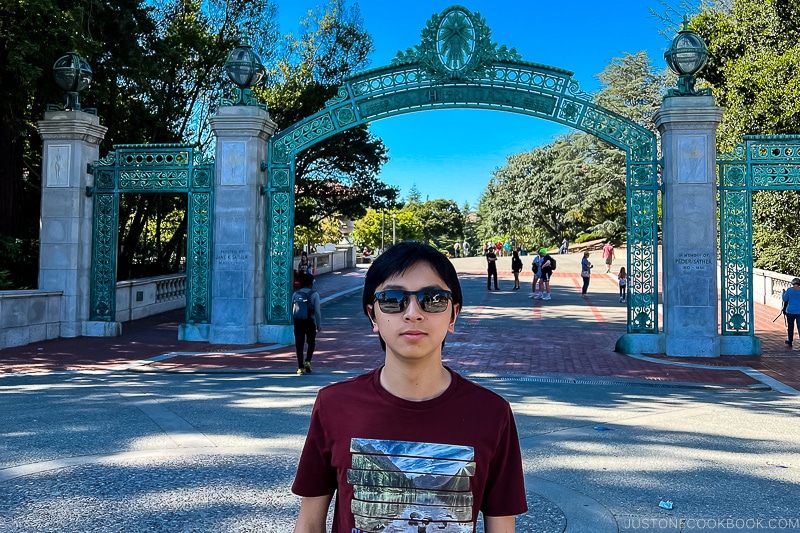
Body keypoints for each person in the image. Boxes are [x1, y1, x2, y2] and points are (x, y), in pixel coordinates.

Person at [292, 242, 528, 531]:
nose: (413, 313)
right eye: (393, 299)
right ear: (372, 315)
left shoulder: (492, 413)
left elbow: (502, 525)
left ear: (453, 315)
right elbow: (309, 524)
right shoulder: (334, 405)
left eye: (433, 299)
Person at [293, 272, 321, 375]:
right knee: (311, 343)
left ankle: (300, 367)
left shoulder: (296, 294)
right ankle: (308, 360)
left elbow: (292, 308)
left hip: (298, 321)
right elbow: (317, 311)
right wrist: (318, 324)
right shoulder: (314, 294)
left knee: (299, 345)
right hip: (309, 321)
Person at [782, 278, 800, 347]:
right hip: (799, 312)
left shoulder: (789, 290)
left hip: (790, 311)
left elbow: (784, 299)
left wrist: (783, 293)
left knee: (790, 327)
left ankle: (790, 341)